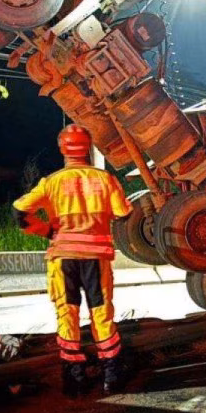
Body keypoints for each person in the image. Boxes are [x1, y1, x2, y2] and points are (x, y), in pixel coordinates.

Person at [13, 124, 132, 396]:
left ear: (62, 149)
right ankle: (111, 376)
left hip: (63, 258)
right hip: (95, 258)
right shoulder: (104, 180)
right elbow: (124, 213)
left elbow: (19, 211)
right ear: (88, 148)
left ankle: (74, 380)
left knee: (67, 314)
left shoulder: (51, 182)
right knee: (101, 314)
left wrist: (46, 230)